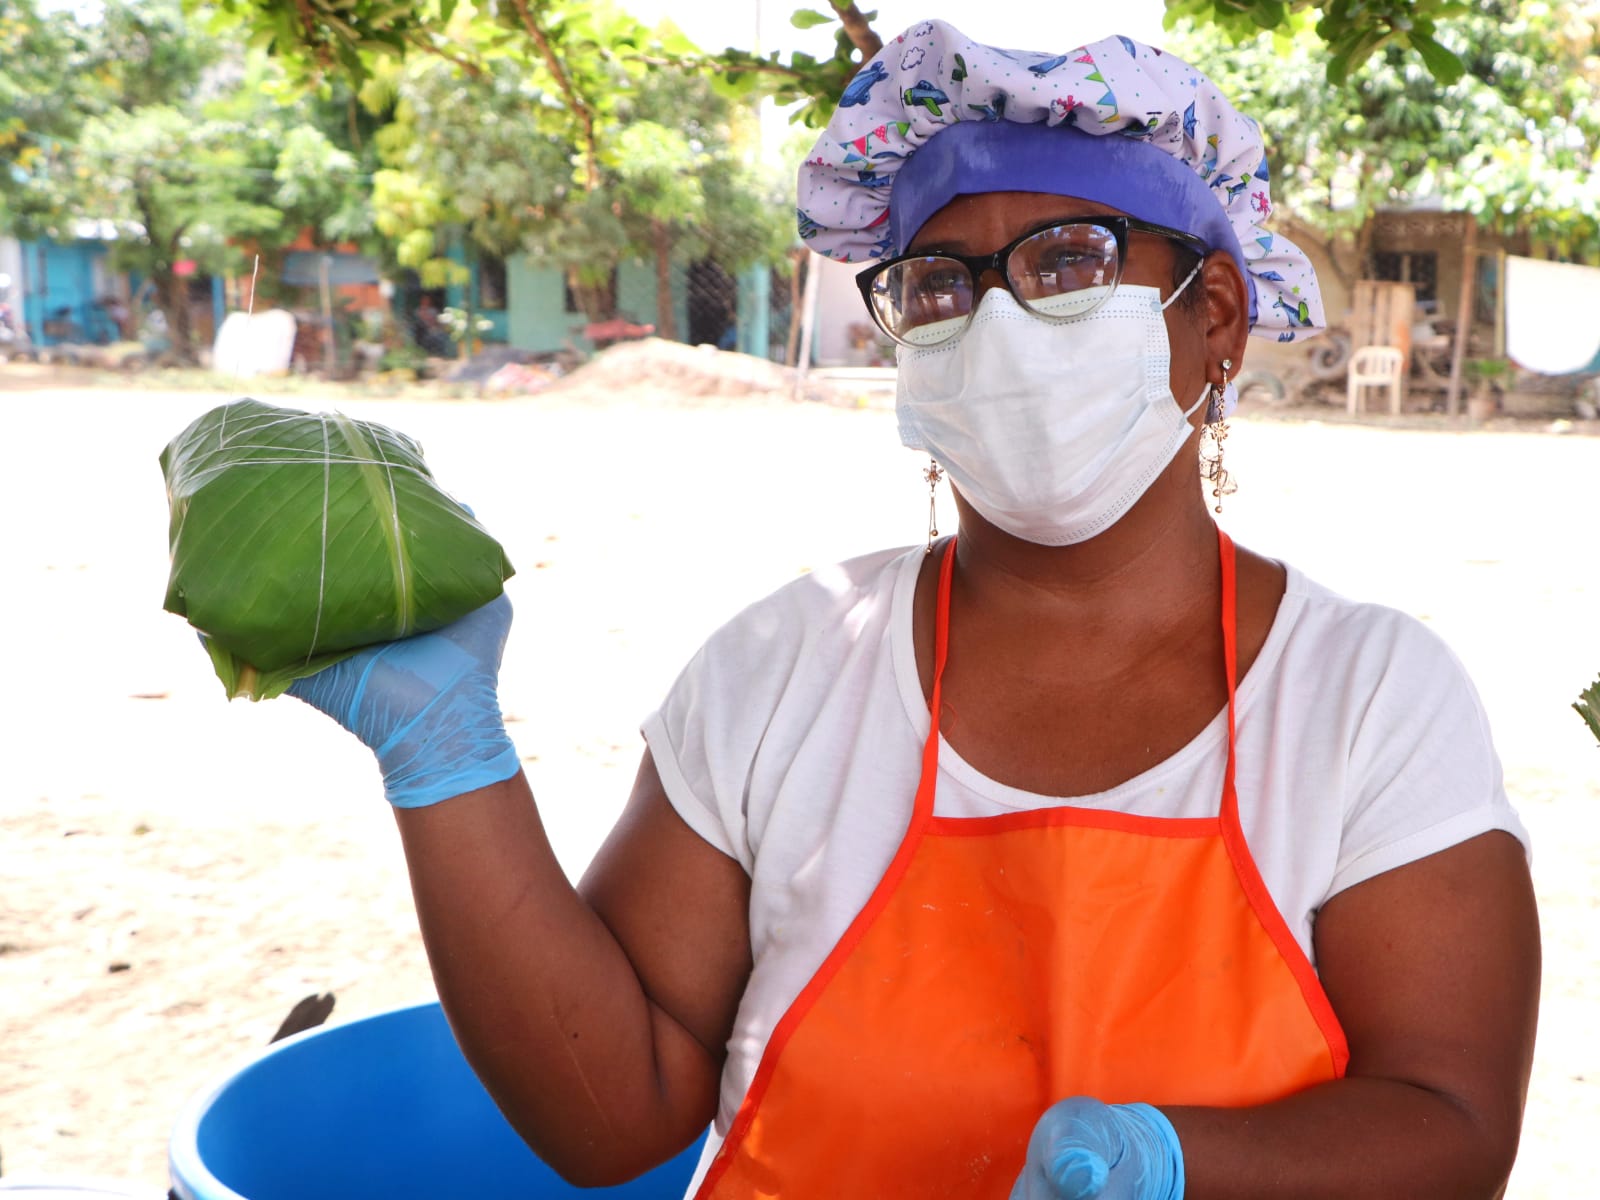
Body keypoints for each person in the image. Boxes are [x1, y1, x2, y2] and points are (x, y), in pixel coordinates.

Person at [281, 22, 1539, 1200]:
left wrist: (1170, 1163)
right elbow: (615, 1114)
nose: (997, 320)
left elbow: (1449, 1123)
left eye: (1066, 261)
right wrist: (446, 764)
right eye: (941, 282)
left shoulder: (1368, 699)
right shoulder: (782, 670)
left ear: (1210, 316)